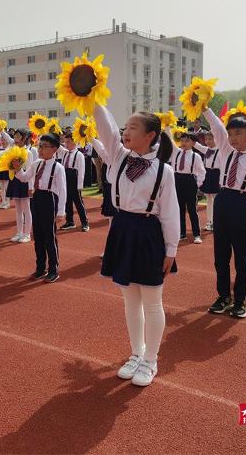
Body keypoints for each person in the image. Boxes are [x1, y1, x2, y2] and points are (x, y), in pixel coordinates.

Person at [94, 102, 179, 387]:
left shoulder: (163, 171)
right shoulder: (118, 157)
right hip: (122, 229)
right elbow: (105, 127)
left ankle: (151, 360)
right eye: (125, 127)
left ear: (151, 135)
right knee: (130, 300)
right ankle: (136, 353)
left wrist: (171, 250)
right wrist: (92, 96)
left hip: (148, 233)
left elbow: (170, 213)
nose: (125, 131)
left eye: (133, 128)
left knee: (152, 302)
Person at [202, 105, 246, 319]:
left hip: (242, 204)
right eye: (230, 134)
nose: (232, 138)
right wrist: (205, 109)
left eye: (238, 134)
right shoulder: (226, 151)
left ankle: (240, 300)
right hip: (223, 201)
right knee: (220, 256)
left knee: (242, 257)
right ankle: (223, 296)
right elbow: (216, 128)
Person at [13, 133, 67, 283]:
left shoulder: (58, 167)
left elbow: (63, 191)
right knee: (38, 236)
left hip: (49, 200)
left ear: (54, 149)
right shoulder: (36, 163)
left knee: (49, 237)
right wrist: (17, 170)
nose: (41, 149)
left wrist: (61, 211)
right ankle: (40, 267)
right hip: (36, 198)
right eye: (40, 146)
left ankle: (53, 270)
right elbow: (25, 177)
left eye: (44, 147)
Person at [0, 128, 37, 243]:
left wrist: (31, 187)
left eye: (18, 137)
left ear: (24, 139)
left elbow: (31, 171)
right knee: (18, 210)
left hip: (25, 182)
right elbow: (1, 154)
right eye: (14, 137)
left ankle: (27, 234)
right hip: (15, 180)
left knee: (26, 209)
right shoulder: (12, 150)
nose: (15, 139)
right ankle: (19, 232)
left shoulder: (28, 152)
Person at [168, 130, 205, 243]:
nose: (183, 143)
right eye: (182, 140)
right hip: (177, 179)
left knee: (192, 209)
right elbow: (169, 139)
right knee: (179, 209)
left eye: (187, 141)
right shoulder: (176, 152)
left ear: (193, 143)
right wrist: (167, 126)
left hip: (190, 181)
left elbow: (202, 171)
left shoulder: (196, 156)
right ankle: (182, 233)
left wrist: (197, 184)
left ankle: (197, 234)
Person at [59, 129, 90, 232]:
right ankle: (70, 221)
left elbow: (81, 171)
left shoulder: (79, 155)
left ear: (74, 141)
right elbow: (57, 147)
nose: (65, 144)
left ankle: (85, 223)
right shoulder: (65, 153)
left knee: (78, 202)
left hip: (74, 179)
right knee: (67, 201)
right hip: (65, 178)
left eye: (68, 142)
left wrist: (79, 185)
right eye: (65, 142)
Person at [194, 130, 220, 232]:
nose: (208, 141)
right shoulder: (206, 150)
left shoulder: (221, 150)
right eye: (206, 139)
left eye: (210, 139)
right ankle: (210, 222)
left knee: (217, 200)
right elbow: (196, 145)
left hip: (217, 175)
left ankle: (217, 221)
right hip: (208, 174)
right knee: (209, 199)